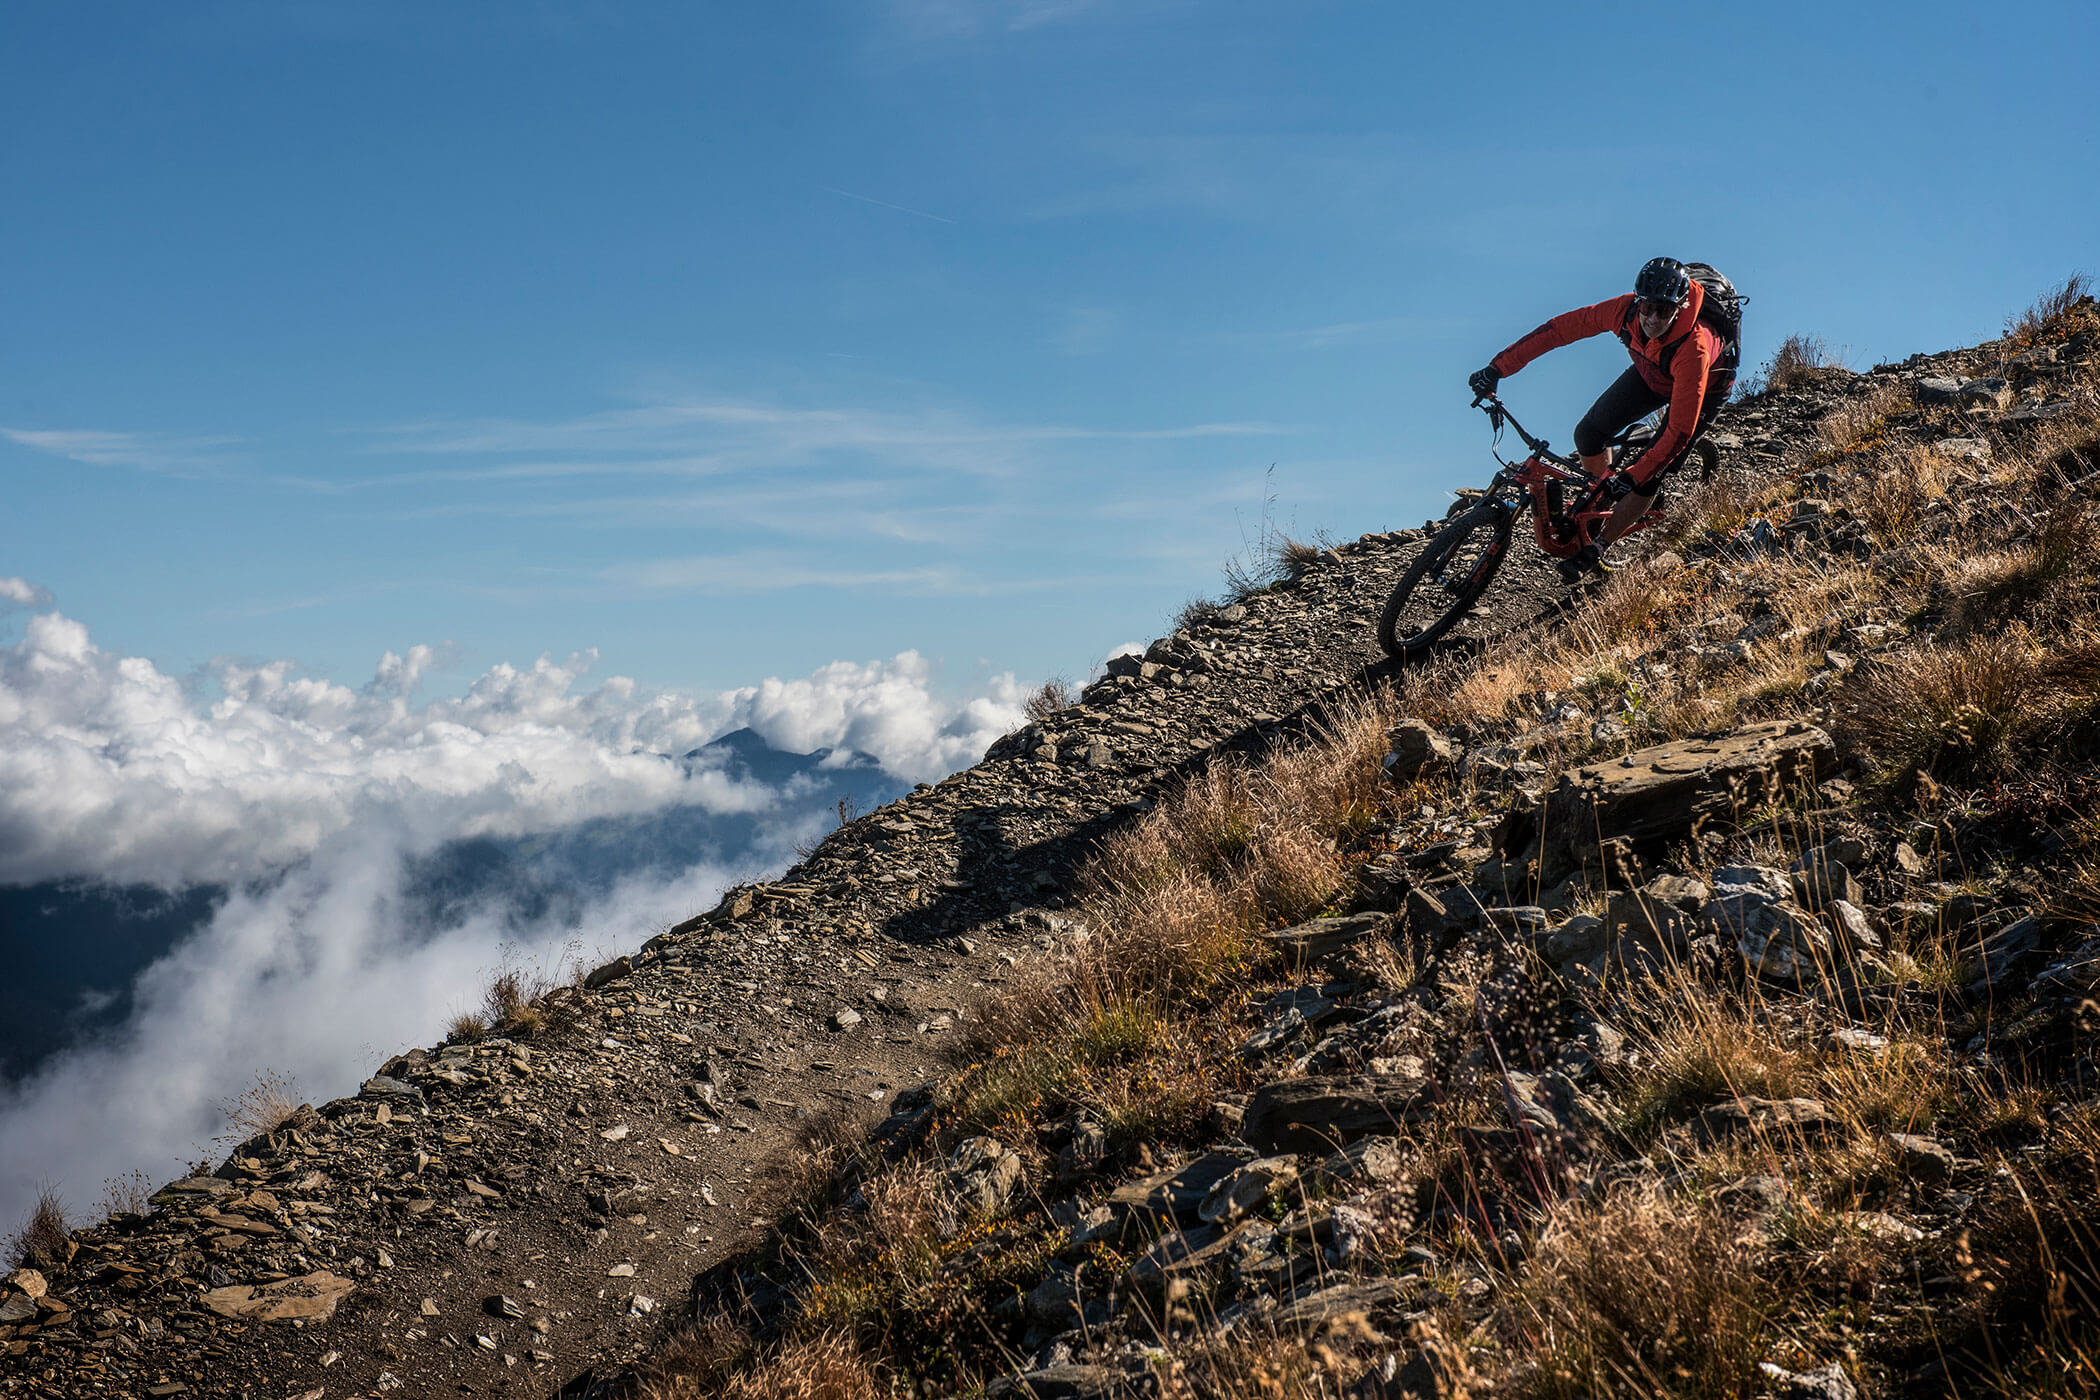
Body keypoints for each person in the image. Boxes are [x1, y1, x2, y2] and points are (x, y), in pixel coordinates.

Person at [1467, 257, 1737, 581]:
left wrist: (1634, 475)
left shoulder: (1695, 346)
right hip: (1651, 371)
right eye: (1647, 306)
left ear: (1678, 308)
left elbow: (1679, 431)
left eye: (1662, 311)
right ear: (1638, 300)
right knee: (1588, 434)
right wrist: (1498, 368)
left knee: (1652, 472)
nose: (1651, 318)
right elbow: (1559, 330)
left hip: (1705, 387)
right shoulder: (1623, 311)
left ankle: (1598, 547)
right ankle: (1600, 500)